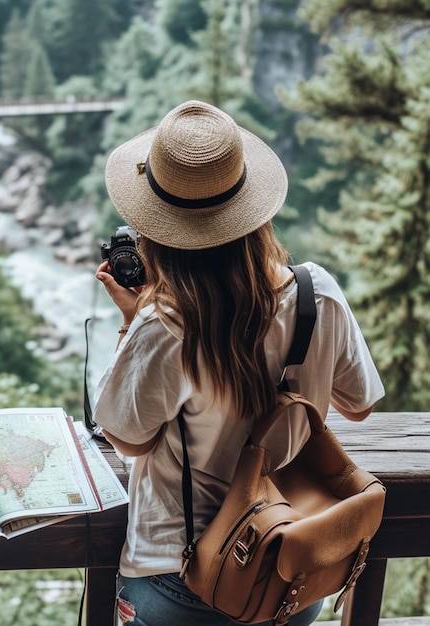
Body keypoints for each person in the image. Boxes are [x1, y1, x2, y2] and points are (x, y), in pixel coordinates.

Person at [92, 100, 385, 626]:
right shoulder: (317, 293)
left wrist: (131, 322)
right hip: (284, 566)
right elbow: (358, 405)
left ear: (158, 229)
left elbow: (129, 438)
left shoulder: (165, 324)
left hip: (180, 576)